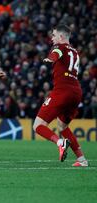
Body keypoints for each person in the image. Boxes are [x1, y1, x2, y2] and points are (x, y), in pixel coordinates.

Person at [33, 25, 88, 167]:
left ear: (61, 37)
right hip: (76, 92)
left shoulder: (59, 47)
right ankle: (82, 160)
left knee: (38, 126)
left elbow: (56, 53)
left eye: (54, 35)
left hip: (62, 91)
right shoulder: (75, 52)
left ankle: (60, 142)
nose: (52, 38)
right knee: (62, 126)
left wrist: (50, 59)